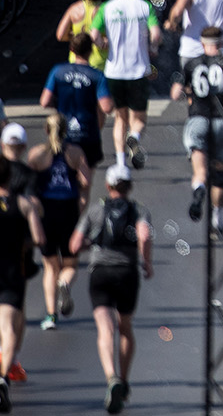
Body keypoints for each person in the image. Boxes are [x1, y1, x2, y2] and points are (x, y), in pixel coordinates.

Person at [69, 163, 151, 413]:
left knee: (105, 330)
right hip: (127, 273)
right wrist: (147, 263)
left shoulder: (96, 209)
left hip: (100, 273)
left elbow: (74, 245)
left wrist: (90, 245)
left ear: (108, 185)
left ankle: (110, 377)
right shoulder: (139, 210)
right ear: (129, 187)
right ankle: (124, 380)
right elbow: (145, 236)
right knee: (125, 327)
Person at [0, 153, 43, 410]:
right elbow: (39, 238)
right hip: (12, 272)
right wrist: (23, 241)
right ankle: (4, 375)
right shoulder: (24, 204)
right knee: (7, 326)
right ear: (10, 176)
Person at [91, 0, 159, 172]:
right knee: (138, 118)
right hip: (138, 70)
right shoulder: (145, 7)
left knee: (120, 117)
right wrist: (153, 48)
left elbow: (93, 35)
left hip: (114, 71)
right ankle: (134, 136)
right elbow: (156, 34)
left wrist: (103, 44)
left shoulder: (106, 8)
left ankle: (120, 163)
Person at [170, 26, 223, 226]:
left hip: (198, 119)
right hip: (221, 120)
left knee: (200, 171)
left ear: (202, 44)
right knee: (220, 173)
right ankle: (217, 218)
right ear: (221, 43)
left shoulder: (192, 64)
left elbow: (175, 94)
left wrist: (187, 93)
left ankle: (199, 189)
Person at [28, 114, 89, 333]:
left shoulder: (36, 155)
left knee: (50, 266)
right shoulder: (75, 154)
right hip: (68, 210)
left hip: (46, 211)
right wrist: (81, 209)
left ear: (46, 130)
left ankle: (51, 314)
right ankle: (65, 284)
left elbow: (29, 188)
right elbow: (85, 182)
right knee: (70, 264)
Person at [41, 33, 112, 168]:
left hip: (63, 132)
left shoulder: (58, 71)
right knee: (86, 181)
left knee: (66, 173)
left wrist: (59, 103)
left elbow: (44, 101)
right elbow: (107, 107)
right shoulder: (97, 76)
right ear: (90, 51)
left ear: (71, 49)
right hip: (88, 133)